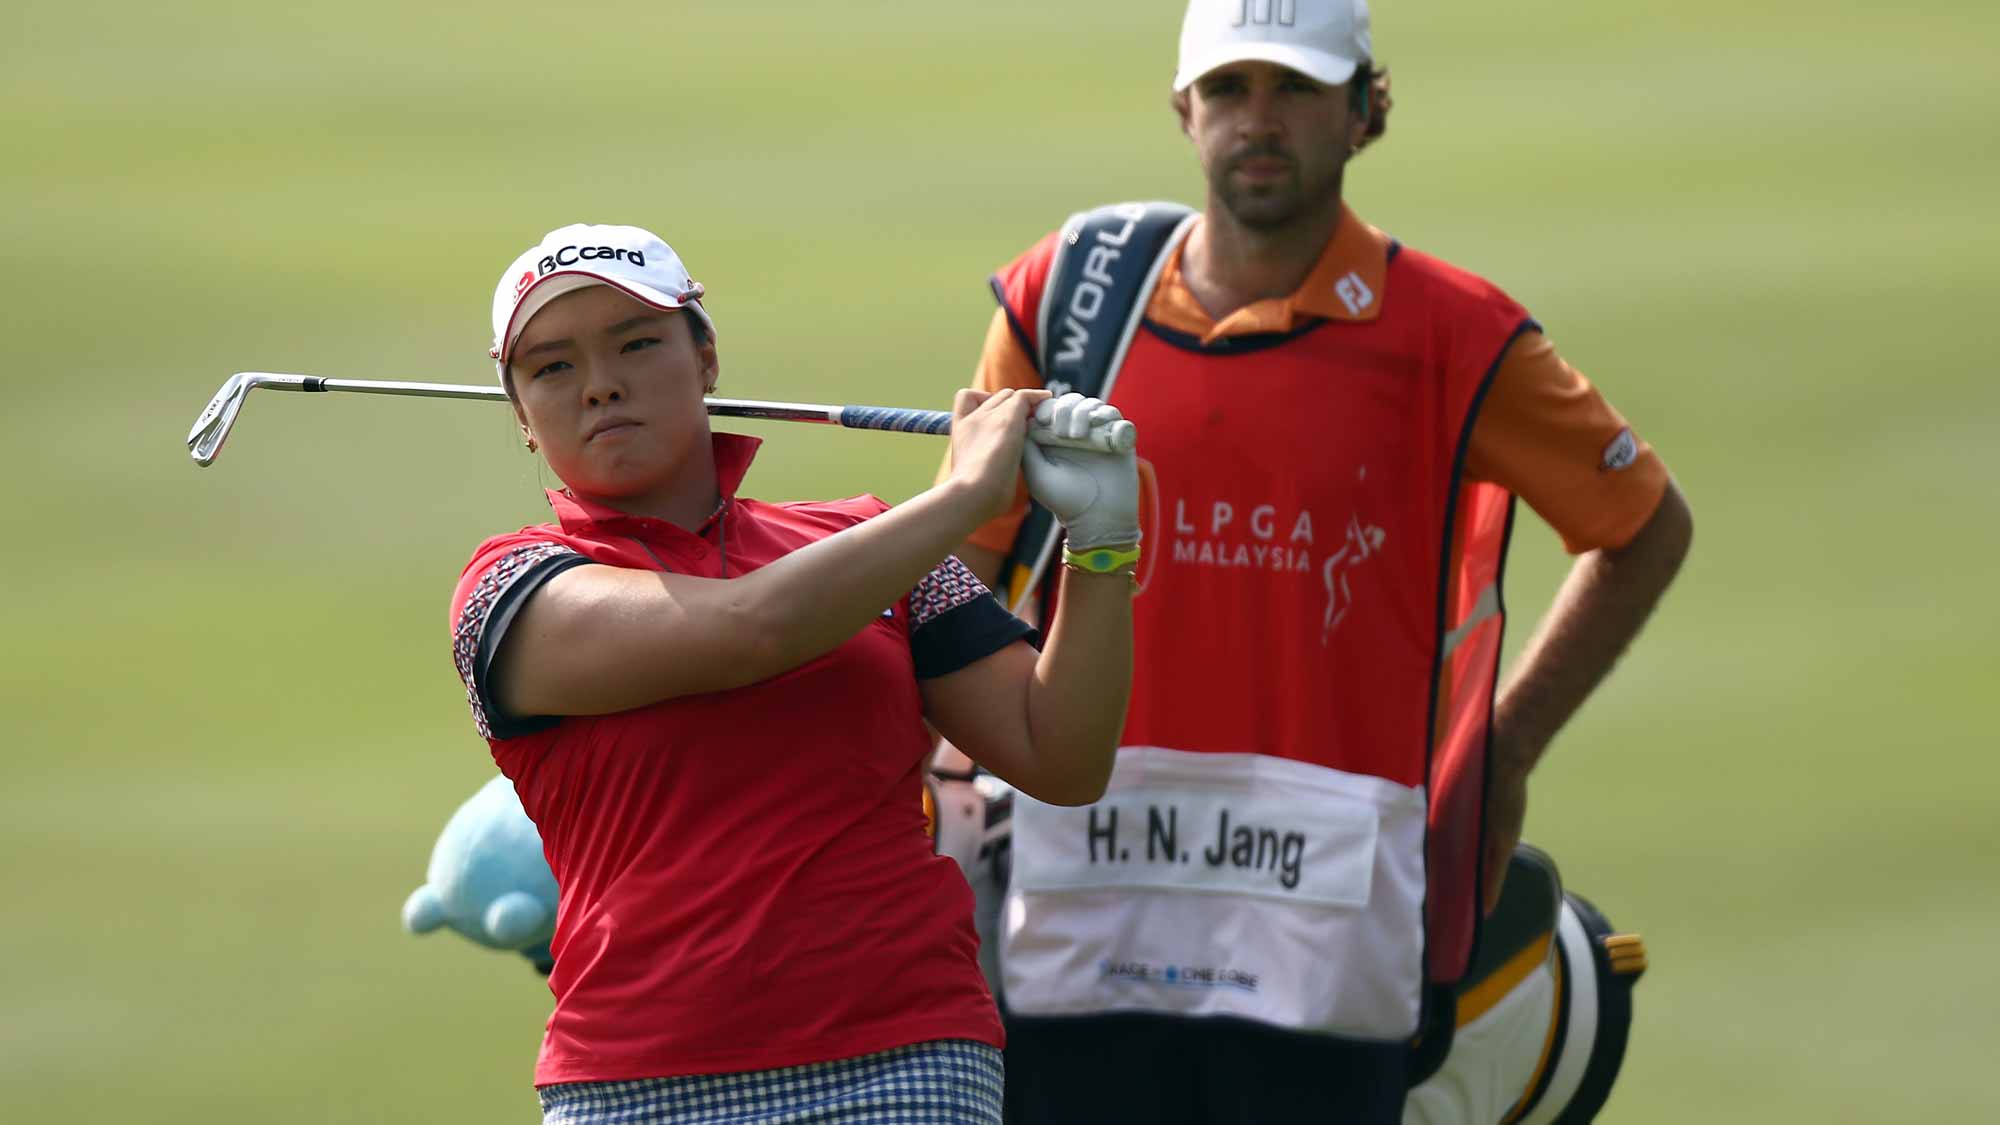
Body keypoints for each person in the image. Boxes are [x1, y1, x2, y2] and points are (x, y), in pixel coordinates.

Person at [938, 2, 1694, 1121]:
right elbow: (963, 568)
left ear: (1362, 112)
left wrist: (1505, 743)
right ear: (1182, 109)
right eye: (1230, 89)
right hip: (1086, 898)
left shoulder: (1455, 334)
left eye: (1294, 89)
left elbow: (1640, 528)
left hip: (1325, 919)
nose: (1258, 120)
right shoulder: (1065, 297)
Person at [448, 222, 1143, 1124]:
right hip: (639, 1079)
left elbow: (1062, 755)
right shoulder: (511, 585)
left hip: (908, 1059)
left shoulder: (867, 547)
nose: (600, 383)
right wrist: (966, 496)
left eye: (638, 343)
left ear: (705, 360)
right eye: (551, 367)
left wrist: (1098, 548)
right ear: (521, 419)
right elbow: (750, 629)